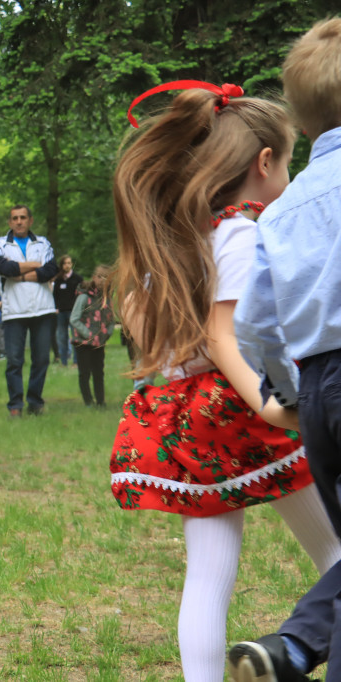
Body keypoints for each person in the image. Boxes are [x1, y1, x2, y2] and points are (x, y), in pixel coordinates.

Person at [109, 79, 341, 682]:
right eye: (288, 162)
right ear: (265, 162)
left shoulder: (183, 237)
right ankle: (303, 652)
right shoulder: (240, 232)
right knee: (337, 553)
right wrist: (266, 405)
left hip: (187, 418)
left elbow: (139, 315)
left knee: (208, 576)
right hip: (238, 410)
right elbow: (223, 334)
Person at [228, 18, 341, 682]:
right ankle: (295, 646)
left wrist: (289, 397)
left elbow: (255, 326)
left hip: (320, 389)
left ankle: (293, 649)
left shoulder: (283, 209)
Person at [0, 205, 59, 416]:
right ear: (10, 222)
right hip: (14, 312)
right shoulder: (0, 243)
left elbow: (50, 270)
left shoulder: (43, 243)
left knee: (41, 360)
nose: (19, 221)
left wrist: (18, 273)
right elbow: (2, 268)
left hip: (43, 310)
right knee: (14, 361)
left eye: (22, 218)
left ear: (30, 220)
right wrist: (33, 265)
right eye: (14, 218)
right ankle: (15, 405)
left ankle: (35, 402)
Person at [69, 265, 114, 407]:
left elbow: (111, 320)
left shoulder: (107, 299)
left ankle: (101, 402)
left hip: (99, 342)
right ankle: (88, 401)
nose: (102, 280)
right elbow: (74, 319)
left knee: (99, 372)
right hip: (83, 342)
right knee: (85, 372)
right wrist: (88, 334)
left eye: (105, 278)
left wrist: (107, 333)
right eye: (99, 277)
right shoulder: (84, 296)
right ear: (94, 277)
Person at [52, 255, 83, 367]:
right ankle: (63, 361)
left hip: (74, 312)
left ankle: (76, 361)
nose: (67, 265)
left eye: (69, 263)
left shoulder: (77, 278)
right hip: (61, 312)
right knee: (61, 337)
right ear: (62, 265)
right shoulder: (58, 280)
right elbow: (55, 295)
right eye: (65, 263)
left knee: (75, 337)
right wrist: (56, 307)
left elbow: (81, 295)